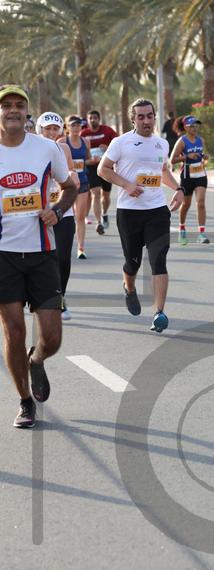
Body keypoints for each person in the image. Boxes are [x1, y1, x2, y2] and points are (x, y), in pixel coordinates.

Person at [0, 86, 77, 428]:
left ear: (27, 112)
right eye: (6, 106)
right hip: (3, 256)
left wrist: (57, 211)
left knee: (53, 337)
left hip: (43, 253)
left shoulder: (46, 148)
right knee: (14, 332)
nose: (13, 110)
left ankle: (36, 360)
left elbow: (70, 187)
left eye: (19, 105)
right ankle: (24, 402)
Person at [98, 97, 184, 333]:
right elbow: (103, 169)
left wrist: (178, 188)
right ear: (133, 120)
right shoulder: (121, 142)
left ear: (155, 117)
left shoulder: (161, 144)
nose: (146, 121)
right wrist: (127, 185)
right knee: (132, 262)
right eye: (141, 117)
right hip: (129, 212)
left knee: (158, 258)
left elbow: (162, 170)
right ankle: (129, 288)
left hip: (157, 210)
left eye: (150, 116)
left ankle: (159, 313)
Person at [36, 112, 81, 321]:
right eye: (48, 129)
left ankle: (60, 298)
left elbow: (70, 172)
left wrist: (73, 175)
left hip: (63, 210)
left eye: (55, 129)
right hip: (39, 212)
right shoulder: (31, 149)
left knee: (63, 258)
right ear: (40, 129)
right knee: (42, 258)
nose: (52, 132)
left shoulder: (64, 149)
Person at [170, 114, 210, 244]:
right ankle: (182, 229)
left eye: (196, 125)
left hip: (200, 174)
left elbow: (203, 155)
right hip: (187, 176)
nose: (195, 128)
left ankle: (201, 234)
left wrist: (204, 157)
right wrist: (187, 156)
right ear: (186, 127)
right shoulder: (182, 141)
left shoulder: (201, 140)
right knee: (186, 204)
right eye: (192, 126)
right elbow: (172, 160)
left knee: (201, 202)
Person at [81, 109, 117, 234]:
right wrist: (88, 160)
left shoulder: (107, 131)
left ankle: (104, 213)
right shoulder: (83, 134)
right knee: (95, 193)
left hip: (106, 166)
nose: (93, 120)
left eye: (95, 118)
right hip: (91, 168)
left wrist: (107, 148)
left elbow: (118, 145)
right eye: (90, 118)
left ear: (99, 119)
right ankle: (99, 223)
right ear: (87, 120)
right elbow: (80, 153)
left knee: (105, 196)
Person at [60, 115, 91, 259]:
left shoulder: (85, 141)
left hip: (82, 182)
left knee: (80, 216)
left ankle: (81, 247)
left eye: (78, 125)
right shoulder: (62, 142)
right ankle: (63, 245)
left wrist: (94, 160)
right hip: (65, 184)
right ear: (67, 127)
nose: (76, 127)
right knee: (65, 216)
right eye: (73, 125)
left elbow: (87, 159)